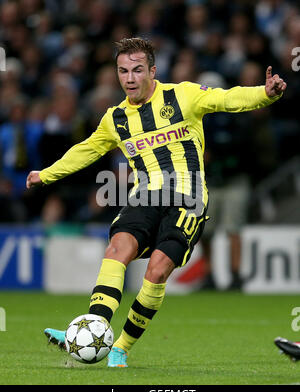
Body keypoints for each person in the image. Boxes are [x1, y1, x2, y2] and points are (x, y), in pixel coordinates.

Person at [26, 38, 286, 368]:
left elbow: (226, 99)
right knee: (118, 247)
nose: (130, 78)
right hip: (146, 195)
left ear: (152, 71)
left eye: (137, 70)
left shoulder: (183, 95)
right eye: (123, 71)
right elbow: (87, 149)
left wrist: (264, 93)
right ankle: (90, 329)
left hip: (188, 198)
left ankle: (120, 346)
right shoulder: (115, 118)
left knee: (158, 269)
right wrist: (47, 174)